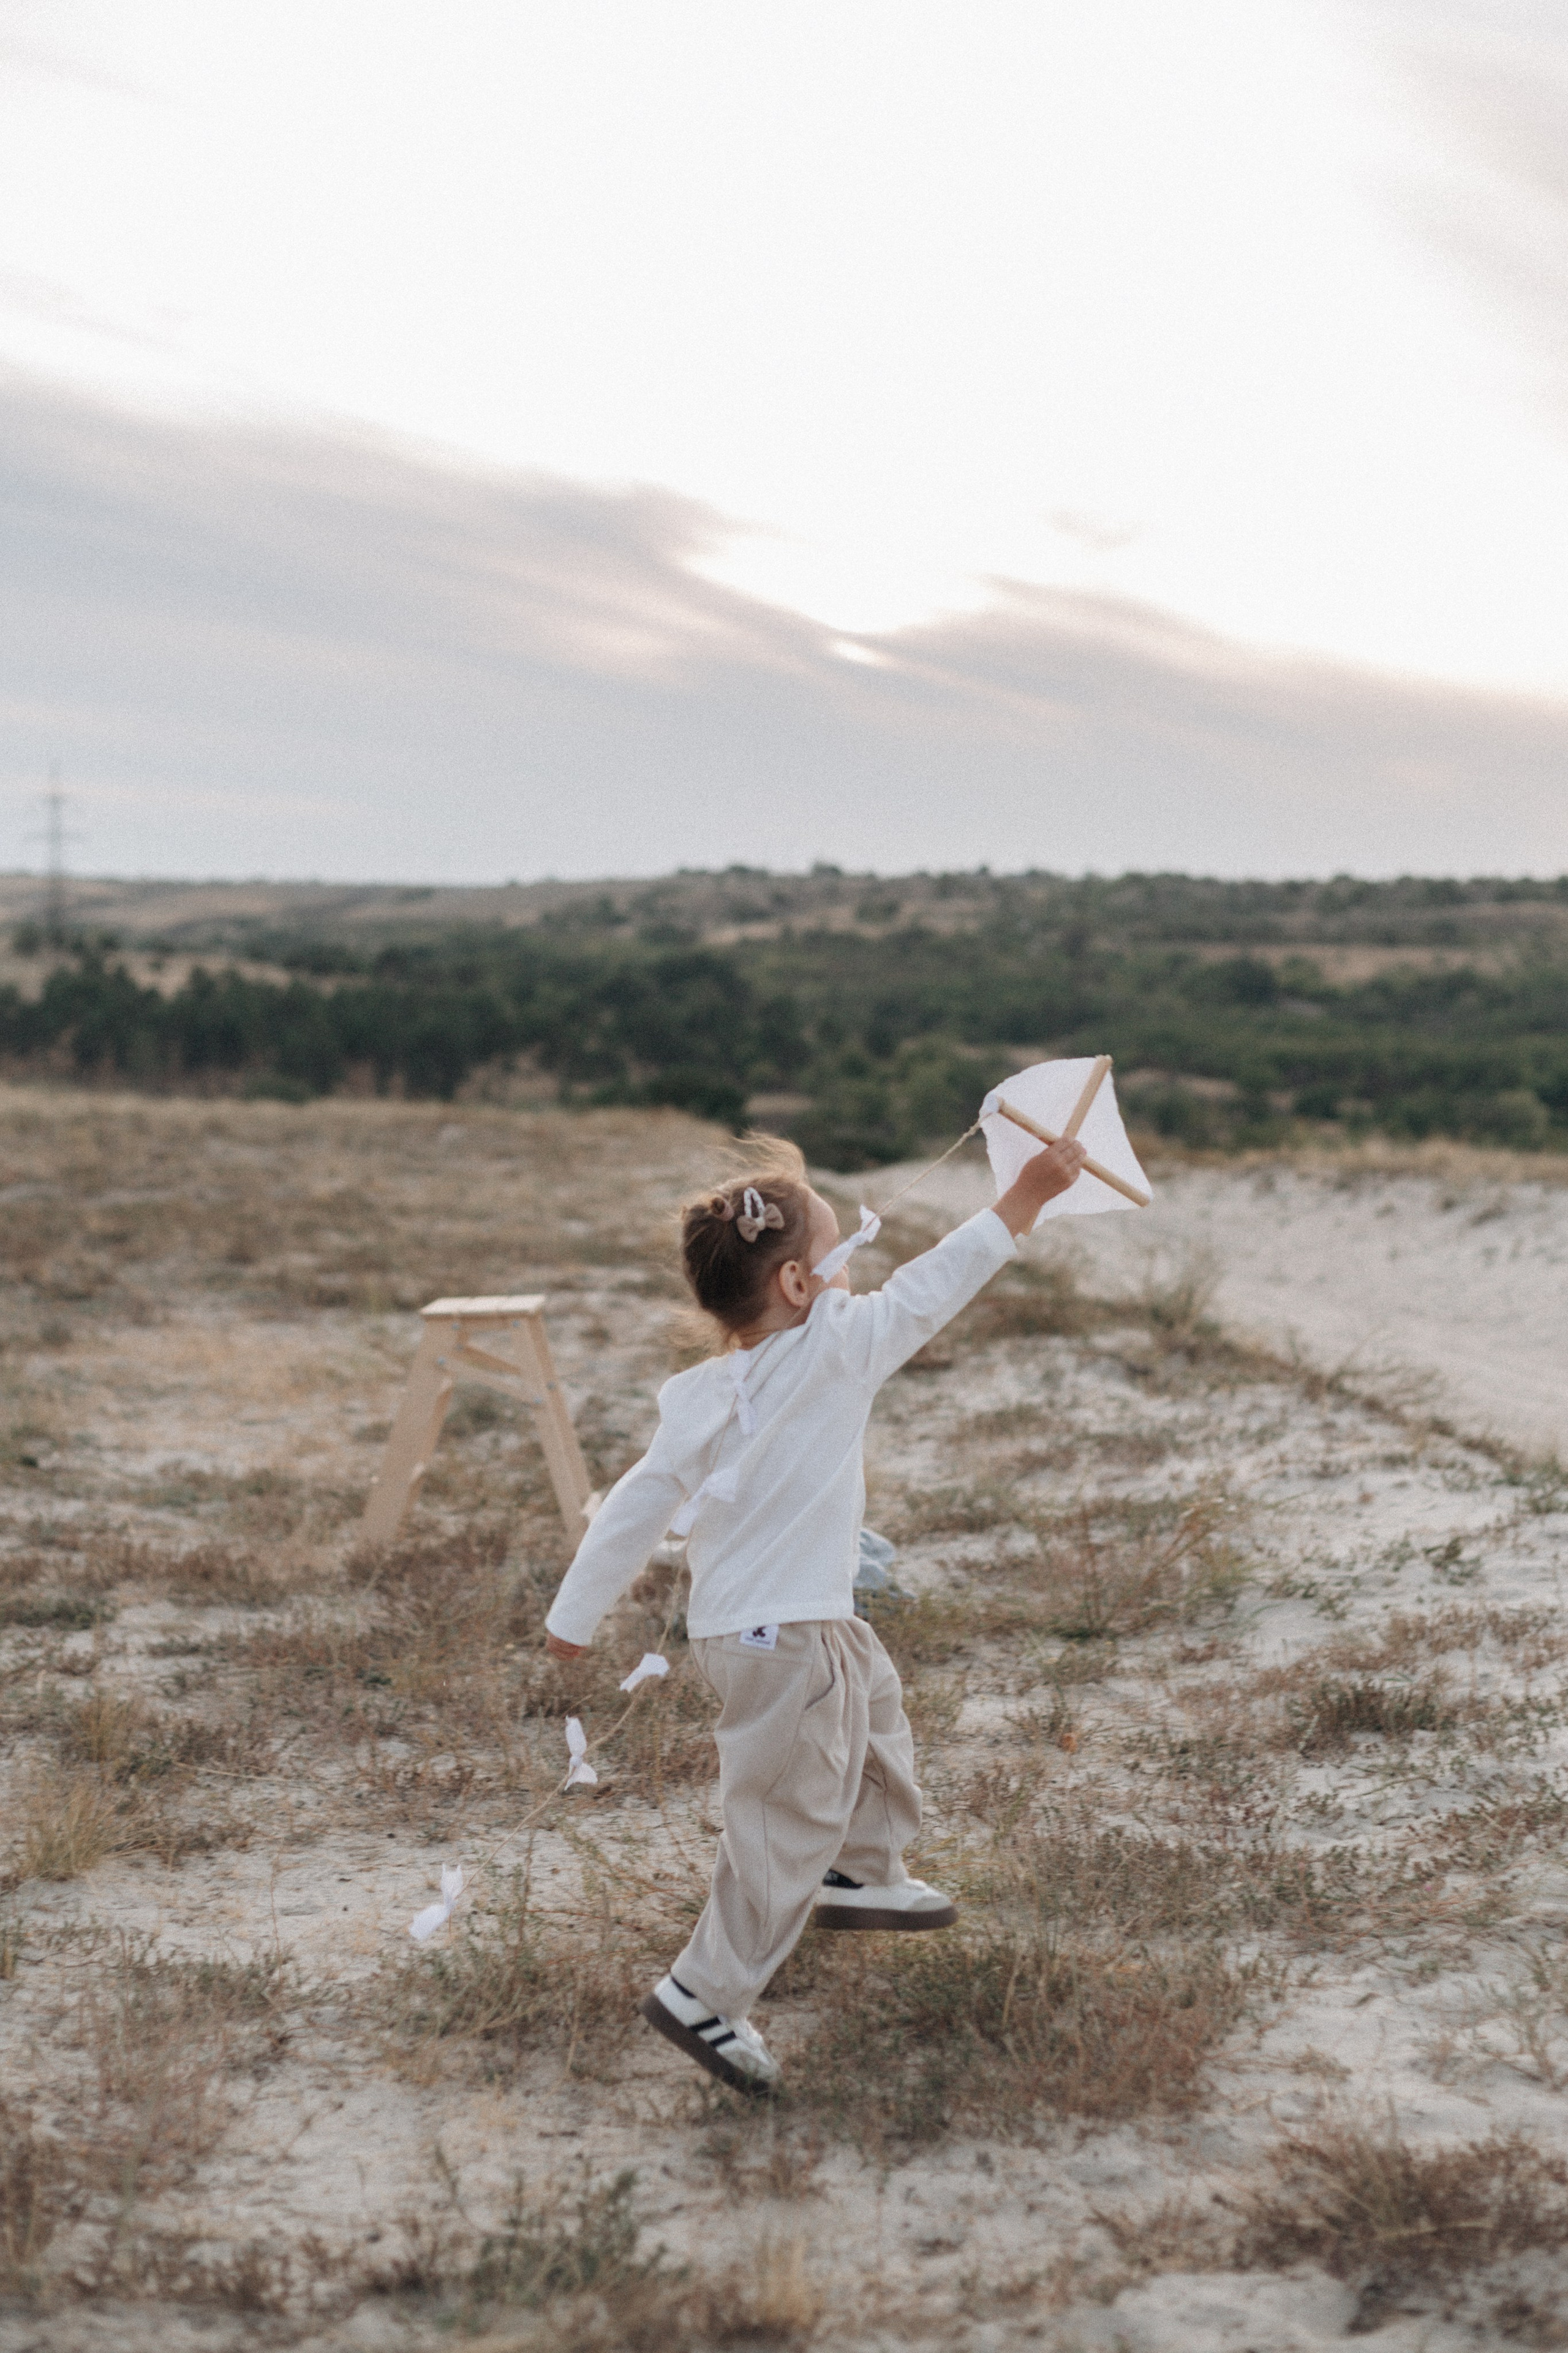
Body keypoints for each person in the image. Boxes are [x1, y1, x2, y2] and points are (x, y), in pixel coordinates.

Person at [543, 1129, 1087, 2094]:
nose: (855, 1272)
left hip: (780, 1624)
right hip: (779, 1634)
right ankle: (703, 1993)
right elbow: (933, 1284)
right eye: (842, 1253)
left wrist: (573, 1612)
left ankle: (864, 1868)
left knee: (873, 1697)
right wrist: (1023, 1201)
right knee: (784, 1814)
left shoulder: (701, 1391)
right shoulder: (837, 1345)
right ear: (798, 1285)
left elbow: (636, 1499)